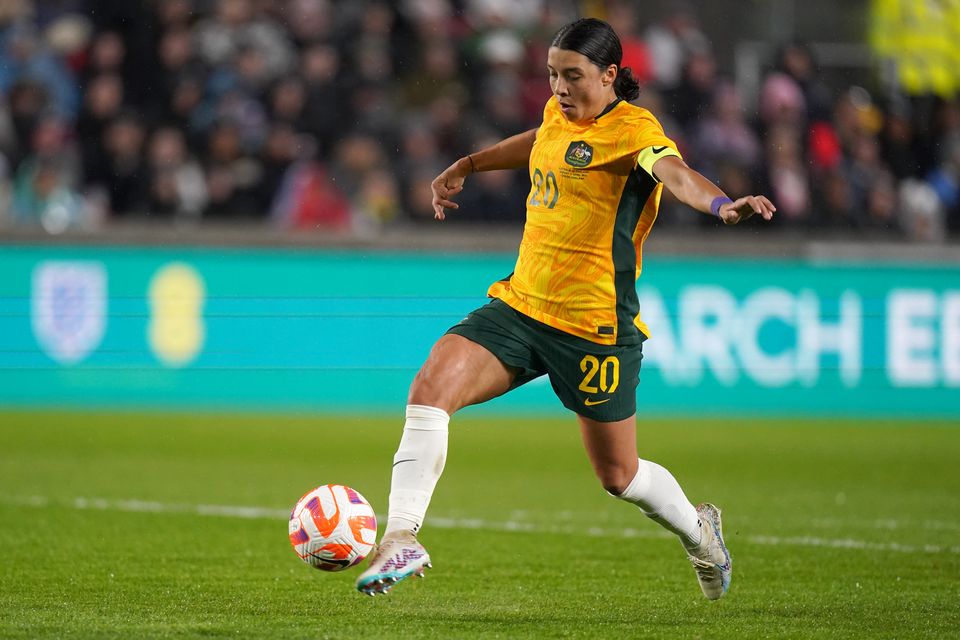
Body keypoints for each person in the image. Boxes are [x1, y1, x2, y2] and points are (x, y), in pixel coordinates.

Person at [355, 17, 776, 600]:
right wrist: (470, 164)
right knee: (429, 388)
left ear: (609, 75)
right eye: (552, 74)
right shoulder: (561, 114)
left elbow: (676, 176)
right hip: (521, 306)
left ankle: (700, 532)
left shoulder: (635, 130)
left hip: (593, 330)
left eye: (573, 76)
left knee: (619, 477)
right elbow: (539, 142)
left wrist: (724, 204)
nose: (559, 88)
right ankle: (400, 536)